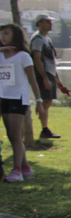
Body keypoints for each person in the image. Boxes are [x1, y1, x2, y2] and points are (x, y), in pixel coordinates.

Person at [0, 24, 44, 182]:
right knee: (11, 136)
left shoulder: (23, 56)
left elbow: (33, 81)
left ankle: (16, 170)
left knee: (15, 135)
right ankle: (26, 168)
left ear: (15, 36)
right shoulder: (1, 55)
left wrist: (39, 102)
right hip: (3, 97)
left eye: (6, 34)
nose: (3, 37)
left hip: (18, 98)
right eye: (1, 34)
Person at [29, 15, 62, 139]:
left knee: (48, 102)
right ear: (39, 23)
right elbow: (37, 59)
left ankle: (45, 128)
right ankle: (44, 129)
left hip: (50, 74)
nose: (51, 24)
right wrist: (45, 78)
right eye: (47, 22)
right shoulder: (37, 39)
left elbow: (51, 61)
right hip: (43, 74)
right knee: (44, 101)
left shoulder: (47, 39)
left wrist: (57, 79)